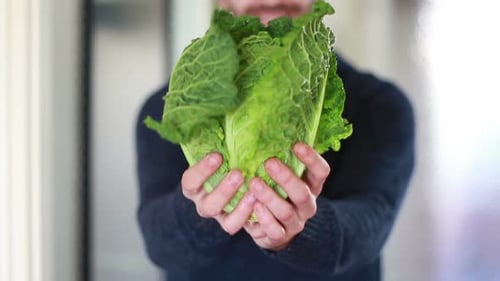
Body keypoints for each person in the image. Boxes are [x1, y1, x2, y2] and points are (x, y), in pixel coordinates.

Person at [135, 0, 415, 280]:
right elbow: (159, 245)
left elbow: (367, 229)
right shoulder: (176, 106)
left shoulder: (381, 106)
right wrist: (201, 207)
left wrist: (300, 230)